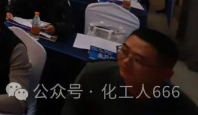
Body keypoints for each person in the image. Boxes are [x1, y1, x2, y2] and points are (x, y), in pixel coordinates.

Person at [61, 29, 198, 115]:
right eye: (124, 51)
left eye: (138, 60)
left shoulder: (182, 108)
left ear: (164, 74)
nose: (126, 61)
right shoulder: (93, 75)